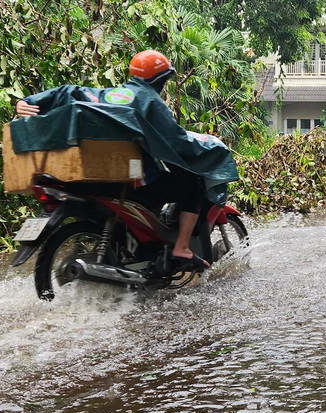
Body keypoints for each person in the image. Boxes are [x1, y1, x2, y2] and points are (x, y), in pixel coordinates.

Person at [14, 50, 232, 271]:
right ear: (160, 79)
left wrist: (29, 101)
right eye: (164, 79)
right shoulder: (150, 100)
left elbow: (72, 92)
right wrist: (209, 147)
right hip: (141, 180)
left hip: (112, 179)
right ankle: (182, 247)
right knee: (192, 187)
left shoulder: (112, 94)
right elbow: (176, 140)